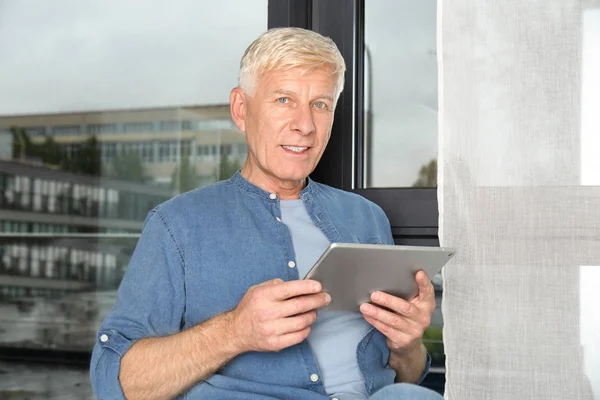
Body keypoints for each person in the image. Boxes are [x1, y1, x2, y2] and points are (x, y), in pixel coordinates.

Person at [90, 27, 443, 400]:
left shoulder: (367, 219)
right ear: (241, 110)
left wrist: (408, 345)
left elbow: (408, 373)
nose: (305, 125)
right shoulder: (176, 226)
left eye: (320, 104)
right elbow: (115, 383)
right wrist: (233, 333)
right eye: (284, 100)